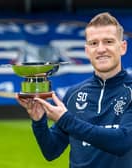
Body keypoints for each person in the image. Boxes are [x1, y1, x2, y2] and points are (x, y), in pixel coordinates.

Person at [16, 12, 132, 168]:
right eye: (93, 43)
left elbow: (122, 142)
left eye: (108, 41)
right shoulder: (74, 94)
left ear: (122, 47)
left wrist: (65, 119)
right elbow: (51, 151)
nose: (101, 49)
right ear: (86, 50)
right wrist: (39, 121)